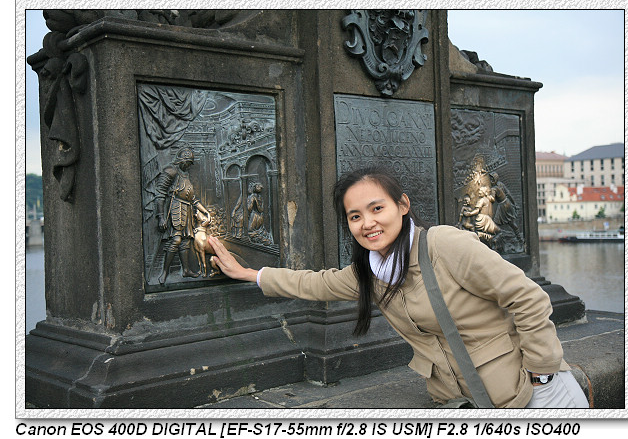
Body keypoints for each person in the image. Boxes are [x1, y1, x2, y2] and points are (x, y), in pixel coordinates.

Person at [206, 167, 588, 409]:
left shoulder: (443, 245)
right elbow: (315, 283)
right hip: (466, 405)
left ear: (402, 205)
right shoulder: (370, 273)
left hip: (533, 397)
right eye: (355, 216)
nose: (367, 223)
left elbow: (527, 297)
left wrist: (542, 373)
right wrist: (248, 273)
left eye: (377, 209)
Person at [155, 146, 211, 284]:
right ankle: (165, 272)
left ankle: (186, 270)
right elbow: (160, 194)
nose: (188, 166)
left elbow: (193, 199)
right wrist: (161, 216)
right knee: (176, 240)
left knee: (186, 241)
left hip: (187, 210)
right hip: (175, 208)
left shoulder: (186, 175)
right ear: (181, 160)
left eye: (190, 163)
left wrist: (205, 211)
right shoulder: (171, 172)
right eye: (187, 162)